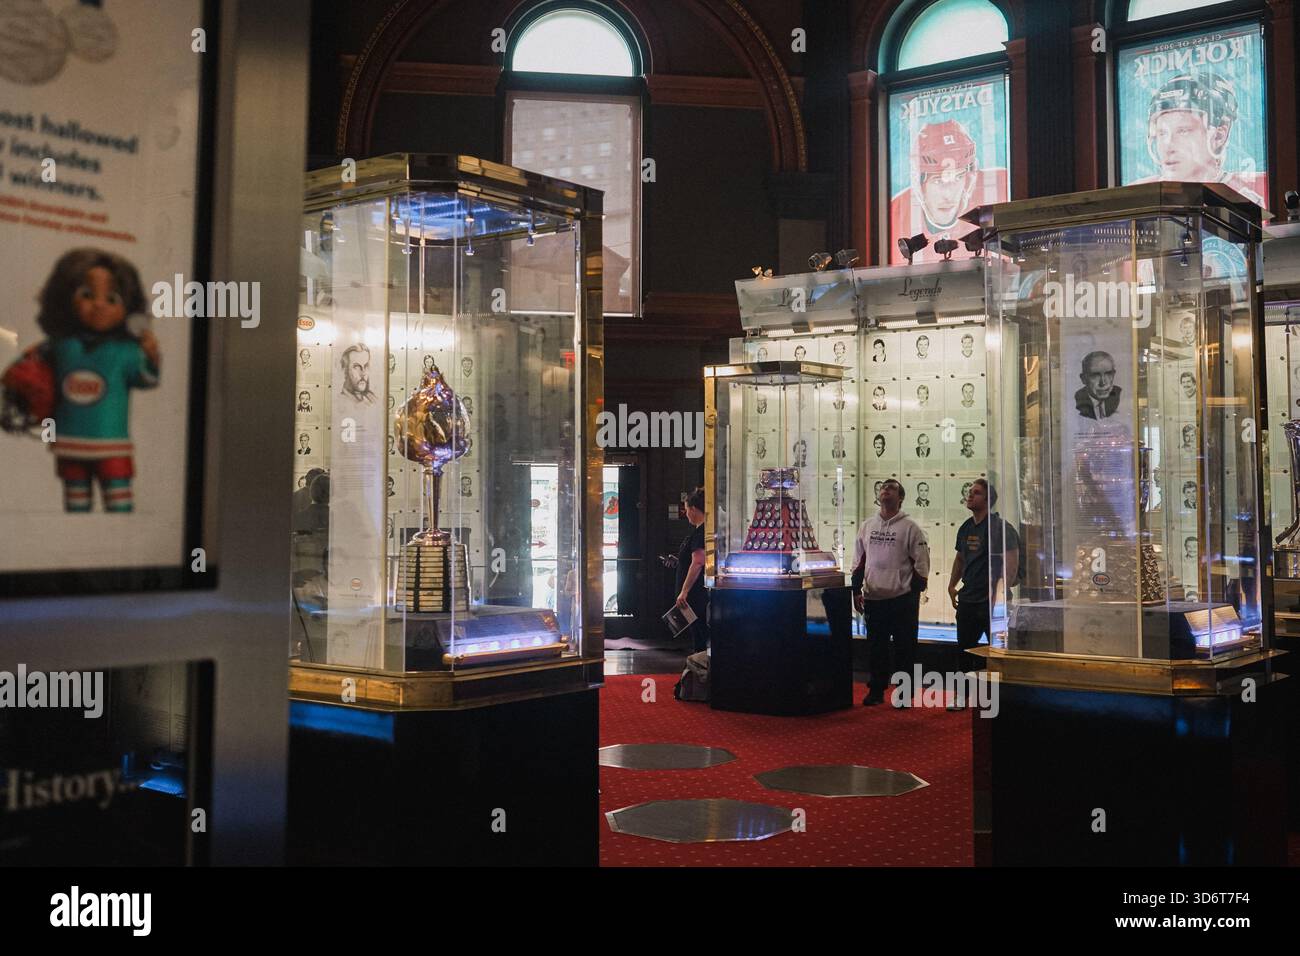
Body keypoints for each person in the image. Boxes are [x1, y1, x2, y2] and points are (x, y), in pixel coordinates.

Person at [1135, 70, 1267, 208]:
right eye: (1162, 133)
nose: (1167, 148)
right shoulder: (1140, 194)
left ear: (1218, 135)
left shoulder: (1258, 188)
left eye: (1183, 131)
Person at [852, 479, 930, 706]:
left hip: (902, 599)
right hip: (874, 597)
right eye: (883, 488)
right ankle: (876, 690)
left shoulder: (910, 528)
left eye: (892, 488)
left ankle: (905, 693)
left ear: (901, 498)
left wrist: (913, 592)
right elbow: (858, 560)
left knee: (905, 648)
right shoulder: (867, 526)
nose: (885, 490)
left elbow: (921, 562)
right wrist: (856, 589)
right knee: (876, 648)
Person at [948, 478, 1020, 676]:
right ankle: (962, 695)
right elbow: (960, 559)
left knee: (997, 654)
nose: (970, 495)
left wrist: (1000, 595)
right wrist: (952, 585)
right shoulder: (966, 527)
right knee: (963, 651)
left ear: (989, 499)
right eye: (970, 492)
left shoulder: (1002, 528)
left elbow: (1011, 563)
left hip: (991, 603)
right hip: (968, 600)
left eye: (977, 492)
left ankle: (999, 697)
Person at [674, 488, 710, 653]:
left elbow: (698, 561)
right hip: (695, 592)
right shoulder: (701, 531)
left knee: (698, 632)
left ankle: (700, 670)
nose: (686, 513)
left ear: (694, 509)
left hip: (694, 594)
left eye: (687, 509)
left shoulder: (699, 533)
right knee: (697, 631)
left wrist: (684, 591)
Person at [1074, 351, 1120, 420]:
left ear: (1113, 375)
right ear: (1083, 379)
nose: (1103, 382)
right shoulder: (1078, 403)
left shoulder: (1119, 396)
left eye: (1108, 374)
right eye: (1095, 375)